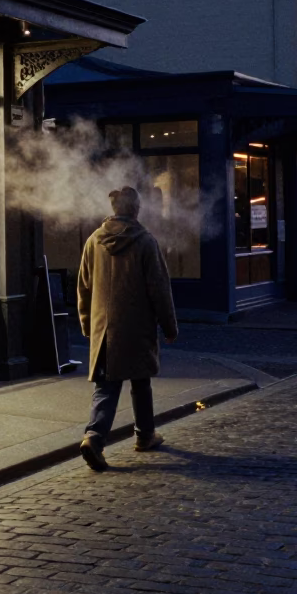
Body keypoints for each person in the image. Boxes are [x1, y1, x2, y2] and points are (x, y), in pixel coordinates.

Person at [77, 186, 178, 472]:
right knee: (140, 380)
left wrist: (87, 323)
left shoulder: (94, 240)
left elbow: (83, 287)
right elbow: (159, 289)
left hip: (103, 328)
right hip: (136, 325)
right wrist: (170, 326)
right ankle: (133, 436)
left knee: (106, 386)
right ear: (135, 209)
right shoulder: (145, 241)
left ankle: (102, 436)